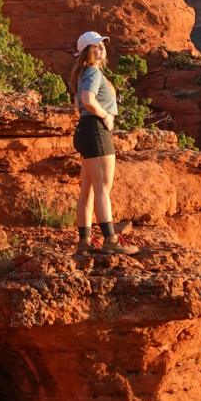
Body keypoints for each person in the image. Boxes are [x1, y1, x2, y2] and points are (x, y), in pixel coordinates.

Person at [70, 31, 138, 256]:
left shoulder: (81, 74)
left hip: (85, 132)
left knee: (88, 190)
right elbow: (88, 101)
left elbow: (78, 104)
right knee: (103, 189)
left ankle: (85, 241)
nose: (101, 49)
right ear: (86, 51)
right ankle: (110, 239)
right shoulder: (92, 73)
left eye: (102, 45)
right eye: (95, 46)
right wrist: (106, 116)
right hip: (96, 132)